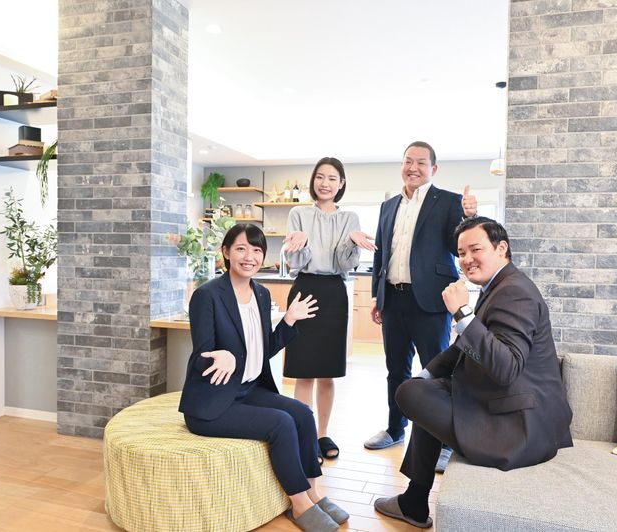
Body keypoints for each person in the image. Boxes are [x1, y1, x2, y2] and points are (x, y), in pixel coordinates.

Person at [373, 217, 574, 528]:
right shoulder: (499, 286)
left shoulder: (515, 292)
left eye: (475, 249)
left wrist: (462, 313)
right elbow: (462, 348)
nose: (467, 259)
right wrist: (426, 375)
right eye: (461, 253)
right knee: (419, 391)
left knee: (411, 394)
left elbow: (506, 367)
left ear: (501, 248)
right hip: (509, 403)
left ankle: (414, 501)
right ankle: (414, 500)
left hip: (522, 426)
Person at [179, 224, 348, 532]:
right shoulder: (207, 296)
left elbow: (262, 350)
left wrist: (288, 320)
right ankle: (299, 505)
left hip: (247, 389)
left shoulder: (261, 293)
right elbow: (202, 356)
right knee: (281, 423)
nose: (250, 257)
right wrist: (222, 355)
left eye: (257, 250)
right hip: (213, 402)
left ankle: (313, 492)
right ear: (226, 252)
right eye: (241, 249)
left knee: (302, 413)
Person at [364, 141, 477, 475]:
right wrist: (377, 296)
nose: (413, 168)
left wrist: (470, 217)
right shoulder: (388, 206)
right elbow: (380, 254)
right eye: (408, 161)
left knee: (436, 372)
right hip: (393, 298)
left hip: (430, 300)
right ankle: (395, 429)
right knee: (395, 370)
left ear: (433, 169)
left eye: (421, 163)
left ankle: (443, 442)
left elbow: (459, 245)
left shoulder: (449, 202)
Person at [282, 156, 376, 461]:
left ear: (341, 184)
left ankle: (322, 434)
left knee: (327, 372)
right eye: (320, 177)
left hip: (334, 293)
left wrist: (352, 243)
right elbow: (295, 261)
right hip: (305, 290)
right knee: (303, 371)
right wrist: (301, 243)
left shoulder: (350, 218)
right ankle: (305, 436)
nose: (325, 183)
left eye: (332, 178)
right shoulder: (298, 214)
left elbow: (344, 264)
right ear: (313, 181)